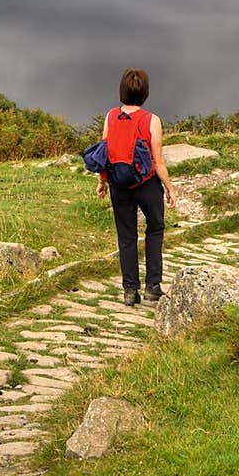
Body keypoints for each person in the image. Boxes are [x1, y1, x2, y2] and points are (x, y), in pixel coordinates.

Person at [96, 67, 176, 306]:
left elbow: (104, 154)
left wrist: (102, 182)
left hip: (119, 184)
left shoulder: (111, 117)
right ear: (146, 93)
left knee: (126, 236)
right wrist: (170, 188)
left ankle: (130, 291)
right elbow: (158, 162)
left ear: (122, 90)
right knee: (155, 229)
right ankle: (153, 286)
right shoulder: (152, 121)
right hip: (147, 184)